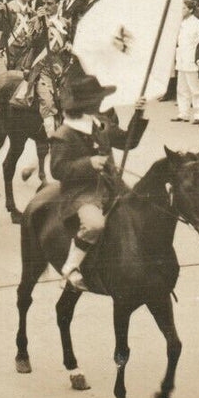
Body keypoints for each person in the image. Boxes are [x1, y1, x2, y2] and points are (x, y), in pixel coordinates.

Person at [51, 68, 147, 290]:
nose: (101, 103)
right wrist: (88, 163)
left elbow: (127, 142)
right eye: (97, 100)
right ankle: (70, 268)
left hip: (111, 185)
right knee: (95, 224)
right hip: (82, 193)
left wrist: (138, 114)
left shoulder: (100, 123)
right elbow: (57, 169)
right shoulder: (64, 134)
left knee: (140, 209)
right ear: (86, 104)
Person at [173, 1, 199, 124]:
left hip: (192, 61)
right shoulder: (181, 23)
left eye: (184, 8)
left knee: (196, 90)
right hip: (181, 61)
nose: (181, 10)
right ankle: (183, 113)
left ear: (191, 10)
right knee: (182, 89)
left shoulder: (198, 25)